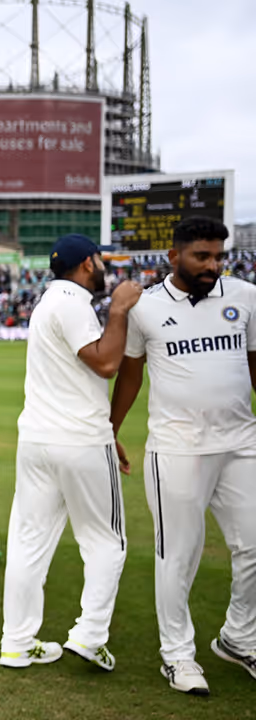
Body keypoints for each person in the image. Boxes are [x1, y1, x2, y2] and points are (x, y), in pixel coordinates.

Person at [110, 216, 256, 696]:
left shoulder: (245, 297)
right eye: (202, 256)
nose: (214, 265)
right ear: (174, 257)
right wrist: (111, 429)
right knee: (179, 556)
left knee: (254, 546)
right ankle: (177, 655)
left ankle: (239, 637)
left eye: (219, 256)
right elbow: (130, 375)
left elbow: (254, 364)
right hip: (177, 448)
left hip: (241, 443)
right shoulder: (146, 309)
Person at [0, 234, 141, 670]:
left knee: (29, 543)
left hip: (38, 440)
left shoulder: (49, 301)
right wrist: (118, 309)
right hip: (79, 439)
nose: (104, 269)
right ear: (86, 265)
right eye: (100, 261)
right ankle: (90, 635)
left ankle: (17, 643)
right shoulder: (73, 301)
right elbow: (104, 363)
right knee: (106, 542)